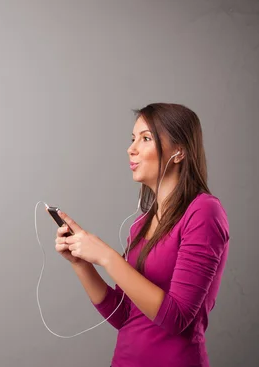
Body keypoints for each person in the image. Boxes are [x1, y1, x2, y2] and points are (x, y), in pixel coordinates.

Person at [55, 103, 230, 367]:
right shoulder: (141, 225)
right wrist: (81, 263)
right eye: (133, 138)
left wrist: (106, 257)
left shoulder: (204, 211)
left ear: (179, 151)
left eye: (146, 138)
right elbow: (123, 314)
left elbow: (177, 318)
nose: (131, 148)